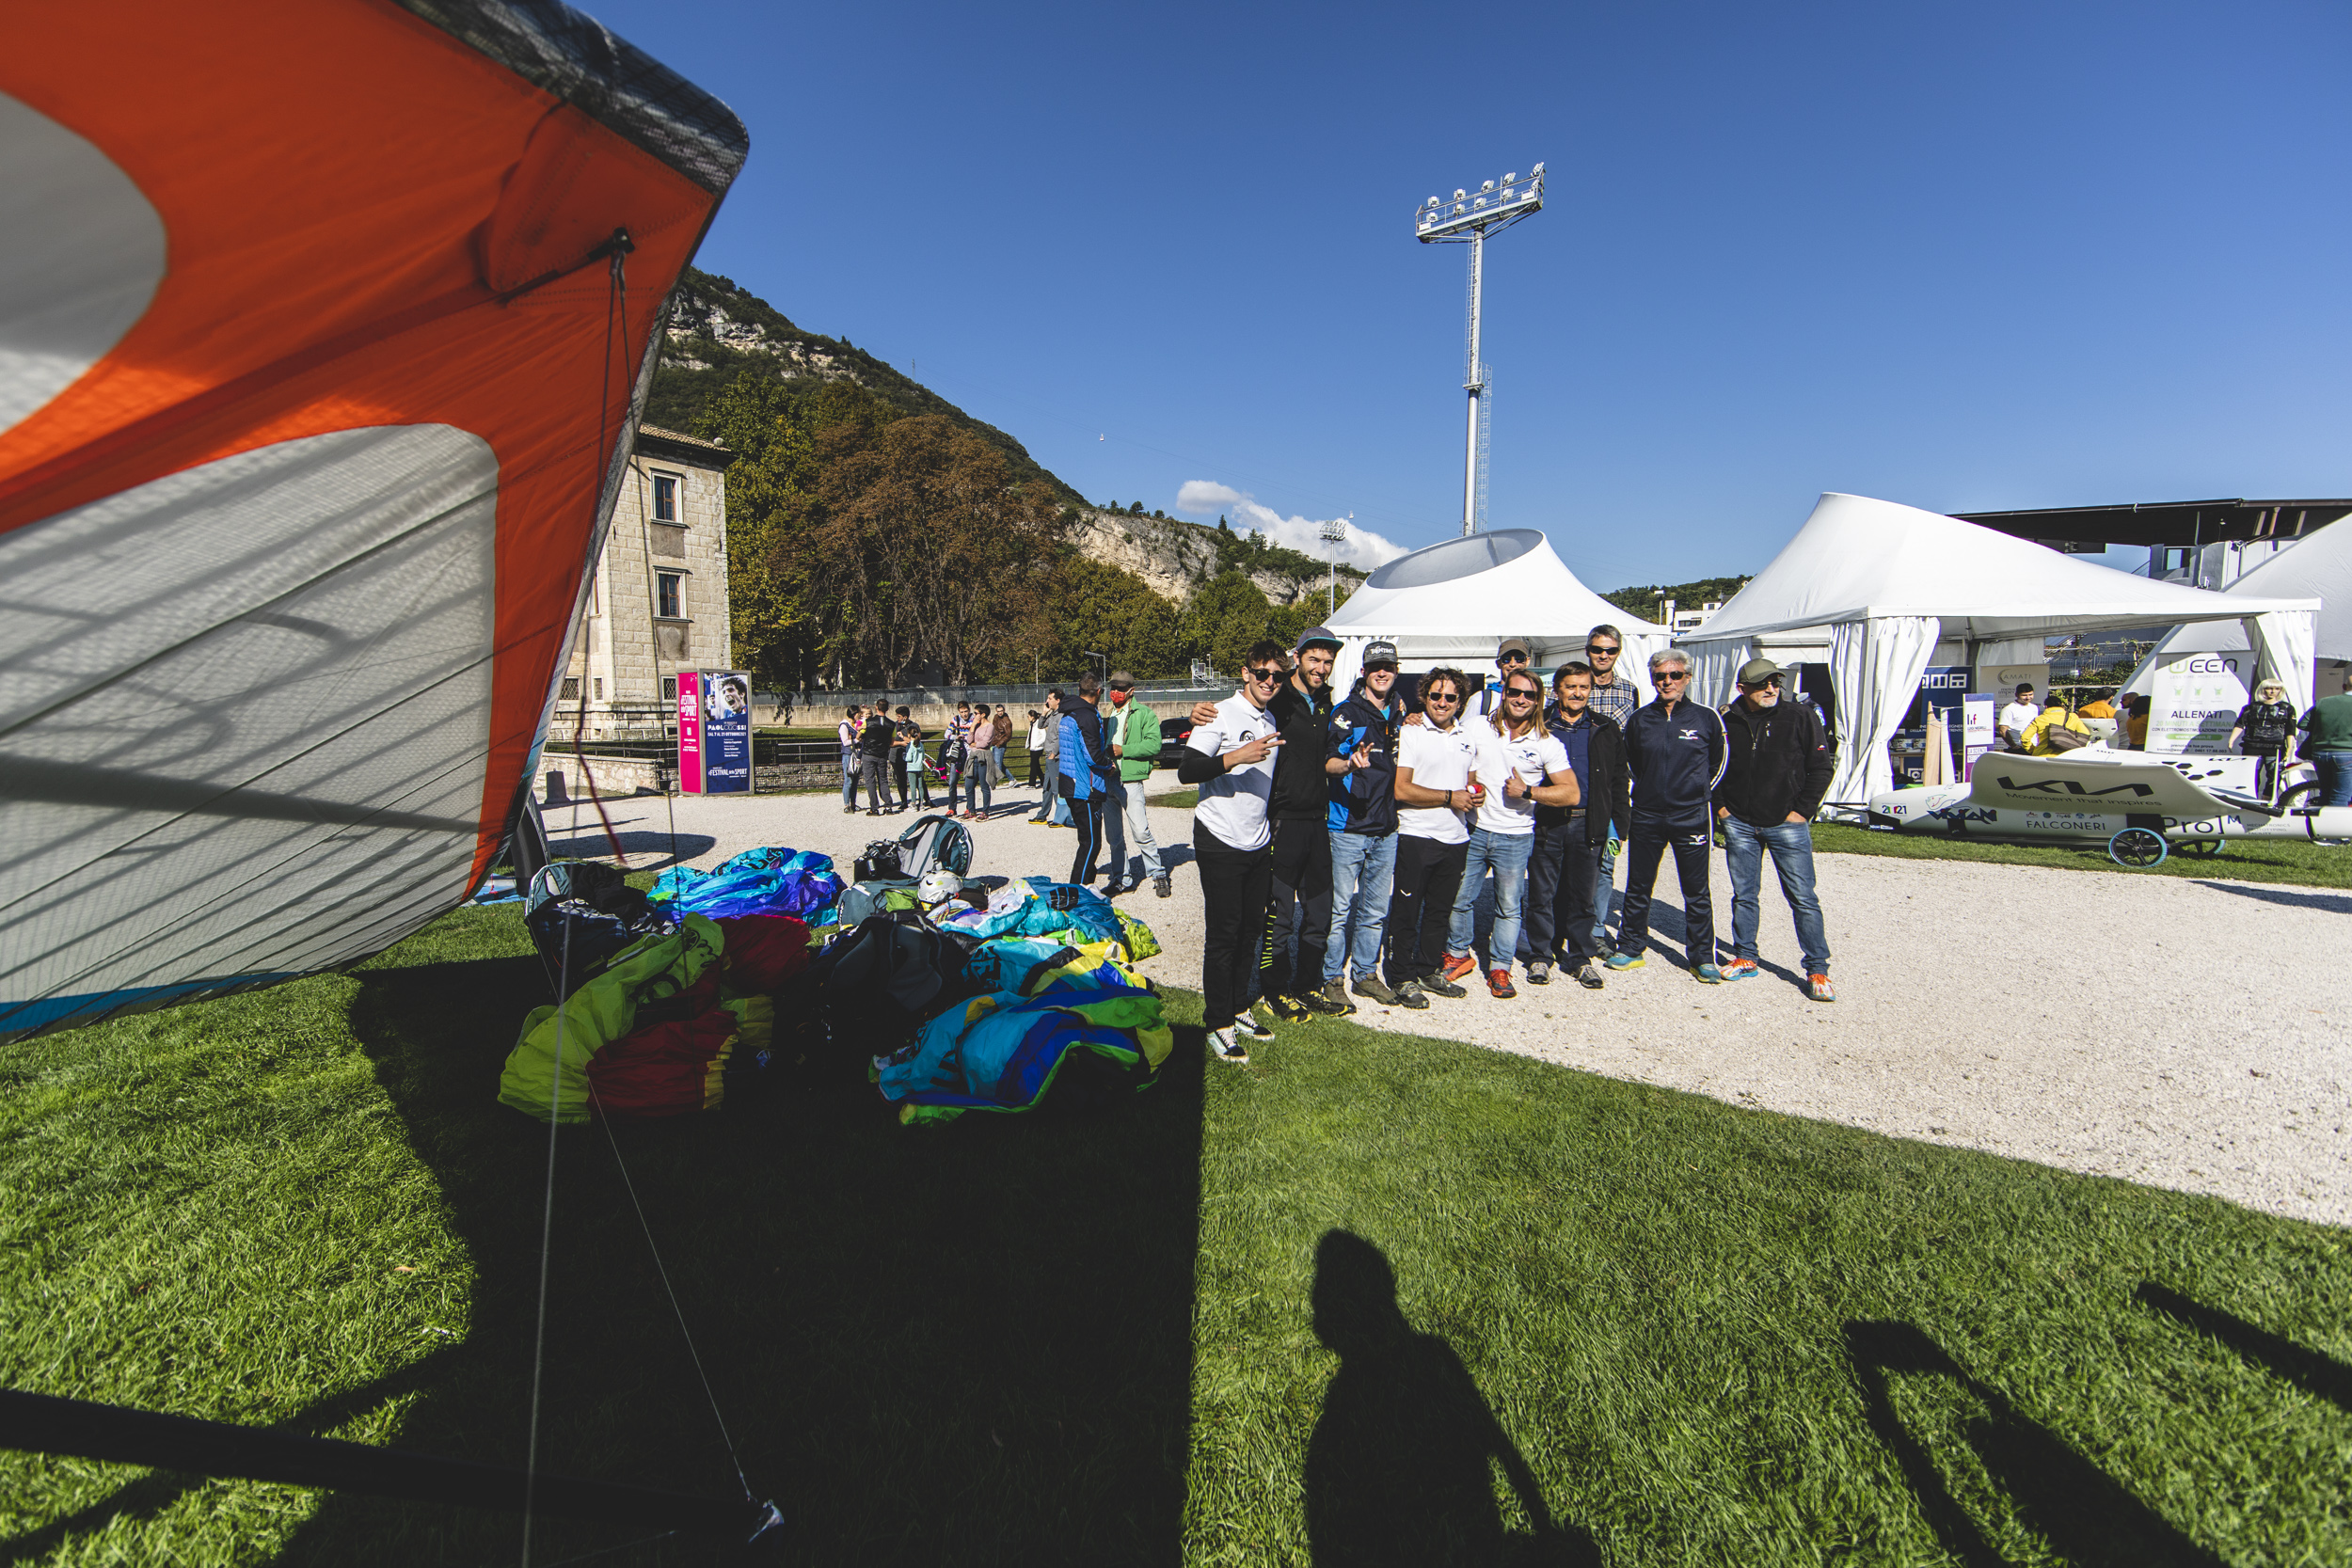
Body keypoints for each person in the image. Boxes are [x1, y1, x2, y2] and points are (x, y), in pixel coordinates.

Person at [1195, 627, 1346, 1022]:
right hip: (1274, 823)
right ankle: (1264, 995)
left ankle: (1300, 986)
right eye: (1314, 659)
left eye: (1328, 661)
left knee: (1313, 911)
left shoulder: (1323, 702)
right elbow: (1204, 748)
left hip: (1307, 822)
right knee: (1269, 917)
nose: (1321, 667)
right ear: (1298, 658)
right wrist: (1202, 714)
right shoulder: (1276, 700)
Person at [1439, 667, 1578, 998]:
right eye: (1514, 692)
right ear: (1504, 694)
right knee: (1459, 899)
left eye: (1529, 695)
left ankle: (1500, 967)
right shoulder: (1477, 726)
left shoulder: (1547, 743)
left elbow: (1570, 793)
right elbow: (1456, 752)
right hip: (1473, 829)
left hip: (1515, 836)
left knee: (1508, 906)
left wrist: (1529, 791)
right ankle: (1458, 955)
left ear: (1538, 701)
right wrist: (1471, 782)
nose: (1520, 699)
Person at [1180, 642, 1289, 1063]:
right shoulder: (1219, 712)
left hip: (1257, 840)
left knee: (1250, 930)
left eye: (1276, 676)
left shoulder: (1271, 717)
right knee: (1224, 934)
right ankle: (1218, 1023)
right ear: (1245, 673)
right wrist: (1235, 757)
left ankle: (1240, 1007)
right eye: (1262, 674)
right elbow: (1189, 769)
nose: (1269, 682)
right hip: (1220, 839)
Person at [1713, 658, 1836, 1003]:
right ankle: (1745, 957)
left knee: (1803, 898)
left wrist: (1801, 811)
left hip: (1787, 823)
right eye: (1762, 684)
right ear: (1742, 688)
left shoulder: (1799, 716)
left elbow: (1821, 768)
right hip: (1739, 822)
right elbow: (1713, 767)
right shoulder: (1726, 721)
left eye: (1775, 683)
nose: (1771, 689)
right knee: (1744, 895)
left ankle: (1817, 969)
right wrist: (1721, 807)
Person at [1610, 649, 1726, 980]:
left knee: (1696, 889)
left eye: (1675, 675)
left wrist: (1698, 793)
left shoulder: (1705, 718)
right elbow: (1628, 762)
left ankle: (1702, 957)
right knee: (1638, 884)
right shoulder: (1641, 718)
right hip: (1647, 813)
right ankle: (1631, 947)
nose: (1667, 682)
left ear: (1687, 678)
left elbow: (1720, 762)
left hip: (1691, 815)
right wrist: (1645, 789)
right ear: (1653, 679)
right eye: (1661, 676)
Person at [1520, 662, 1626, 990]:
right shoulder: (1539, 725)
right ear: (1557, 690)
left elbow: (1619, 780)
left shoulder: (1605, 728)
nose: (1577, 693)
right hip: (1548, 821)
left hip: (1587, 822)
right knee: (1542, 893)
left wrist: (1619, 827)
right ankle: (1542, 954)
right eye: (1571, 687)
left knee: (1582, 895)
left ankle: (1580, 957)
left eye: (1583, 687)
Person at [1386, 667, 1479, 1003]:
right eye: (1435, 695)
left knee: (1440, 911)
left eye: (1450, 697)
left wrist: (1473, 793)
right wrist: (1449, 797)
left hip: (1456, 836)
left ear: (1460, 701)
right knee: (1407, 911)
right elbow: (1401, 789)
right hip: (1417, 834)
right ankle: (1402, 976)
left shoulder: (1467, 735)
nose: (1442, 702)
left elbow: (1471, 779)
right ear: (1424, 697)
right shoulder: (1412, 731)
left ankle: (1428, 970)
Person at [1322, 641, 1405, 1010]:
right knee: (1339, 910)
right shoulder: (1345, 713)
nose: (1382, 673)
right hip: (1348, 828)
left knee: (1374, 910)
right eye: (1375, 668)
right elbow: (1326, 764)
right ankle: (1331, 977)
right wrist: (1349, 765)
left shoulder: (1402, 713)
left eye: (1388, 666)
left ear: (1396, 671)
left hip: (1386, 828)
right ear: (1364, 673)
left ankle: (1366, 975)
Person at [1579, 626, 1645, 962]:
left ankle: (1597, 930)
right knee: (1563, 864)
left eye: (1610, 650)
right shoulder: (1573, 685)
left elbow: (1632, 745)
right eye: (1597, 649)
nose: (1603, 655)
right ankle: (1564, 928)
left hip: (1609, 792)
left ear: (1618, 652)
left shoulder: (1629, 692)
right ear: (1587, 649)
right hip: (1574, 788)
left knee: (1605, 865)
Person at [1104, 673, 1170, 897]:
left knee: (1141, 832)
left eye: (1121, 689)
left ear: (1131, 691)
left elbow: (1154, 745)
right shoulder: (1109, 713)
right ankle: (1121, 879)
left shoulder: (1145, 714)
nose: (1116, 692)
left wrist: (1125, 751)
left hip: (1130, 780)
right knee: (1113, 837)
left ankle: (1158, 874)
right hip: (1108, 780)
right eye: (1113, 687)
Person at [1057, 674, 1116, 885]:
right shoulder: (1087, 716)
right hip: (1085, 788)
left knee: (1087, 840)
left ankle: (1086, 885)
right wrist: (1109, 765)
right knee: (1090, 843)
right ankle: (1078, 891)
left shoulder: (1069, 712)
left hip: (1070, 784)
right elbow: (1092, 756)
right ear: (1099, 692)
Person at [2230, 679, 2297, 800]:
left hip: (2275, 747)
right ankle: (2250, 799)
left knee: (2274, 775)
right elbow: (2240, 724)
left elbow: (2290, 730)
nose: (2272, 691)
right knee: (2251, 775)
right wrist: (2231, 740)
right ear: (2263, 689)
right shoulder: (2251, 707)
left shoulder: (2287, 708)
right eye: (2269, 688)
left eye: (2277, 689)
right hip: (2252, 746)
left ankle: (2266, 801)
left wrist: (2289, 748)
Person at [2300, 669, 2352, 807]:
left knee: (2326, 793)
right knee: (2340, 796)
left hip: (2320, 753)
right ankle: (2334, 828)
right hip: (2347, 754)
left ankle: (2319, 827)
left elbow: (2303, 724)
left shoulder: (2324, 702)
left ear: (2344, 687)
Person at [857, 703, 895, 816]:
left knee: (870, 781)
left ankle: (874, 807)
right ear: (887, 709)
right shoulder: (891, 724)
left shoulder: (868, 722)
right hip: (882, 754)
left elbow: (858, 736)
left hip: (869, 753)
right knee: (883, 780)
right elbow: (892, 742)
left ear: (876, 708)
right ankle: (888, 805)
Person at [2021, 693, 2090, 755]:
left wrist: (2032, 750)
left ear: (2046, 706)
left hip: (2042, 755)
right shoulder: (2072, 717)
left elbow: (2025, 738)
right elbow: (2085, 733)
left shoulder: (2039, 719)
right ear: (2061, 705)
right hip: (2067, 755)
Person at [1030, 692, 1062, 822]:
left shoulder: (1061, 716)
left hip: (1055, 757)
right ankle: (1042, 815)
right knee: (1047, 787)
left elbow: (1061, 737)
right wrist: (1044, 713)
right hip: (1049, 755)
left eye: (1050, 698)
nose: (1047, 701)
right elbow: (1040, 725)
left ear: (1058, 700)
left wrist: (1053, 754)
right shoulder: (1052, 715)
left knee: (1055, 788)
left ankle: (1061, 817)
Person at [894, 705, 929, 810]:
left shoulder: (914, 726)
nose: (897, 718)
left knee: (919, 783)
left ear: (905, 717)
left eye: (899, 716)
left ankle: (924, 800)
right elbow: (890, 742)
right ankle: (904, 801)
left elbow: (916, 742)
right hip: (897, 754)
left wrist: (904, 739)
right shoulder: (895, 726)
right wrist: (901, 743)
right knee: (901, 780)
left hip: (912, 760)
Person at [1998, 684, 2040, 752]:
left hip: (2034, 746)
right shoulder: (2009, 709)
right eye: (2024, 695)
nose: (2028, 697)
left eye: (2030, 694)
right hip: (2019, 747)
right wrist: (2014, 746)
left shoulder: (2034, 707)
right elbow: (2002, 731)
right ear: (2016, 695)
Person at [837, 705, 863, 814]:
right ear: (854, 714)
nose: (860, 716)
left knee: (855, 780)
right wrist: (857, 740)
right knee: (848, 780)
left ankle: (853, 802)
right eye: (859, 714)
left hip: (856, 754)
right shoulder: (844, 726)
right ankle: (846, 804)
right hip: (848, 755)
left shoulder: (856, 725)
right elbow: (845, 742)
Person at [988, 705, 1013, 787]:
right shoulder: (996, 717)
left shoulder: (1007, 721)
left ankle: (993, 782)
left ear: (1004, 710)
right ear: (996, 711)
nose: (1000, 712)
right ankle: (1012, 779)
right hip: (994, 743)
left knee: (997, 764)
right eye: (998, 711)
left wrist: (999, 743)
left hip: (1000, 745)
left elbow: (1008, 735)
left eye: (1001, 711)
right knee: (998, 763)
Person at [1025, 709, 1046, 786]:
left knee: (1033, 766)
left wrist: (1037, 744)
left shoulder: (1039, 724)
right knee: (1036, 765)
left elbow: (1044, 737)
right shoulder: (1032, 724)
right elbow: (1030, 735)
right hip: (1032, 748)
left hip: (1038, 749)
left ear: (1032, 717)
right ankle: (1043, 780)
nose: (1028, 718)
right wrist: (1028, 744)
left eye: (1028, 716)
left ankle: (1032, 784)